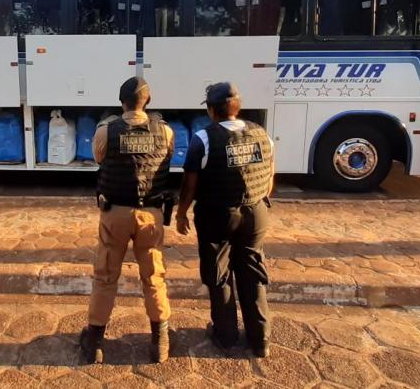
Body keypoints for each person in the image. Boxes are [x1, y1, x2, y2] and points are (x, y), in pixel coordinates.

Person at [79, 77, 175, 364]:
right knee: (154, 276)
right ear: (148, 100)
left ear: (121, 101)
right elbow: (165, 159)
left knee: (106, 276)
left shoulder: (106, 130)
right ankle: (160, 342)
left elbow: (99, 159)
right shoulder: (166, 132)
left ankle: (95, 341)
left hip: (115, 214)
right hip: (151, 215)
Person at [175, 82, 275, 357]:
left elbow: (190, 184)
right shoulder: (260, 133)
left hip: (217, 215)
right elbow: (269, 177)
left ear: (210, 110)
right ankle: (261, 339)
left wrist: (181, 212)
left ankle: (227, 336)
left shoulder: (204, 139)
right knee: (253, 271)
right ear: (238, 107)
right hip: (256, 212)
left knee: (219, 275)